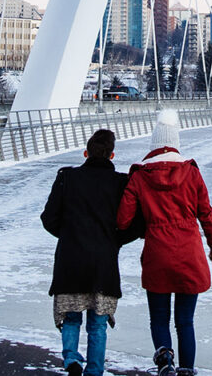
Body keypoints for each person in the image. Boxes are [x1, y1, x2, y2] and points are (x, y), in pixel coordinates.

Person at [116, 109, 212, 376]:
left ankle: (165, 360)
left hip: (157, 256)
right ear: (176, 143)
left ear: (153, 145)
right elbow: (208, 218)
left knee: (159, 318)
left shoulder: (140, 177)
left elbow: (122, 220)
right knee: (185, 322)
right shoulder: (191, 173)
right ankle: (187, 370)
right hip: (190, 256)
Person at [41, 128, 139, 376]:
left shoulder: (67, 178)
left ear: (86, 152)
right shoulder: (120, 183)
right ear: (112, 155)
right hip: (102, 263)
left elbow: (49, 218)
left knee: (72, 318)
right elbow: (135, 224)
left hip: (70, 260)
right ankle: (94, 371)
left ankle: (71, 360)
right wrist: (113, 240)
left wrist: (69, 235)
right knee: (97, 324)